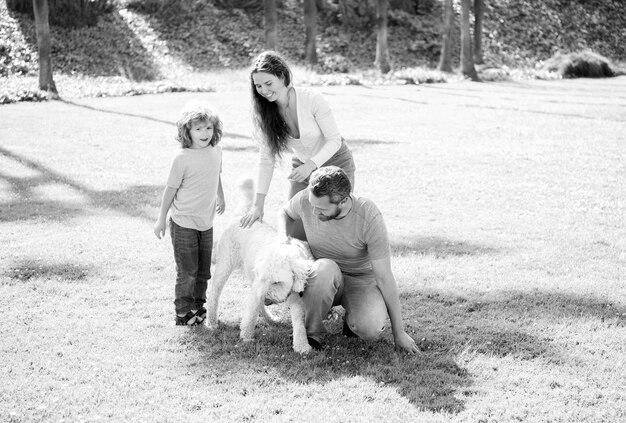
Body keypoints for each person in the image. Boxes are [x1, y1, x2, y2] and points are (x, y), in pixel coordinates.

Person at [277, 166, 419, 353]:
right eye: (312, 205)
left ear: (343, 202)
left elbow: (384, 277)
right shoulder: (307, 199)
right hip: (324, 275)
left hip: (361, 279)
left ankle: (351, 320)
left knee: (370, 329)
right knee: (324, 268)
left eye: (321, 209)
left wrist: (398, 332)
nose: (314, 212)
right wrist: (281, 239)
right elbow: (285, 212)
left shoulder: (369, 216)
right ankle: (312, 334)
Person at [240, 50, 356, 231]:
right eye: (258, 86)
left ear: (282, 76)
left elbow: (334, 140)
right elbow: (266, 159)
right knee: (294, 226)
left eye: (268, 83)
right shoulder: (266, 114)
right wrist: (258, 205)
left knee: (332, 224)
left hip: (336, 163)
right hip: (302, 167)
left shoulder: (312, 98)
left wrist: (311, 165)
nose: (263, 91)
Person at [154, 101, 226, 326]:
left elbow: (216, 175)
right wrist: (161, 219)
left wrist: (221, 196)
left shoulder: (216, 151)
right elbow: (170, 190)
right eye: (198, 129)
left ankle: (198, 307)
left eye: (209, 128)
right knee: (188, 271)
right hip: (183, 222)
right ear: (187, 131)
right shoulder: (182, 158)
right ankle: (183, 313)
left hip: (206, 223)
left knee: (204, 271)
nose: (205, 133)